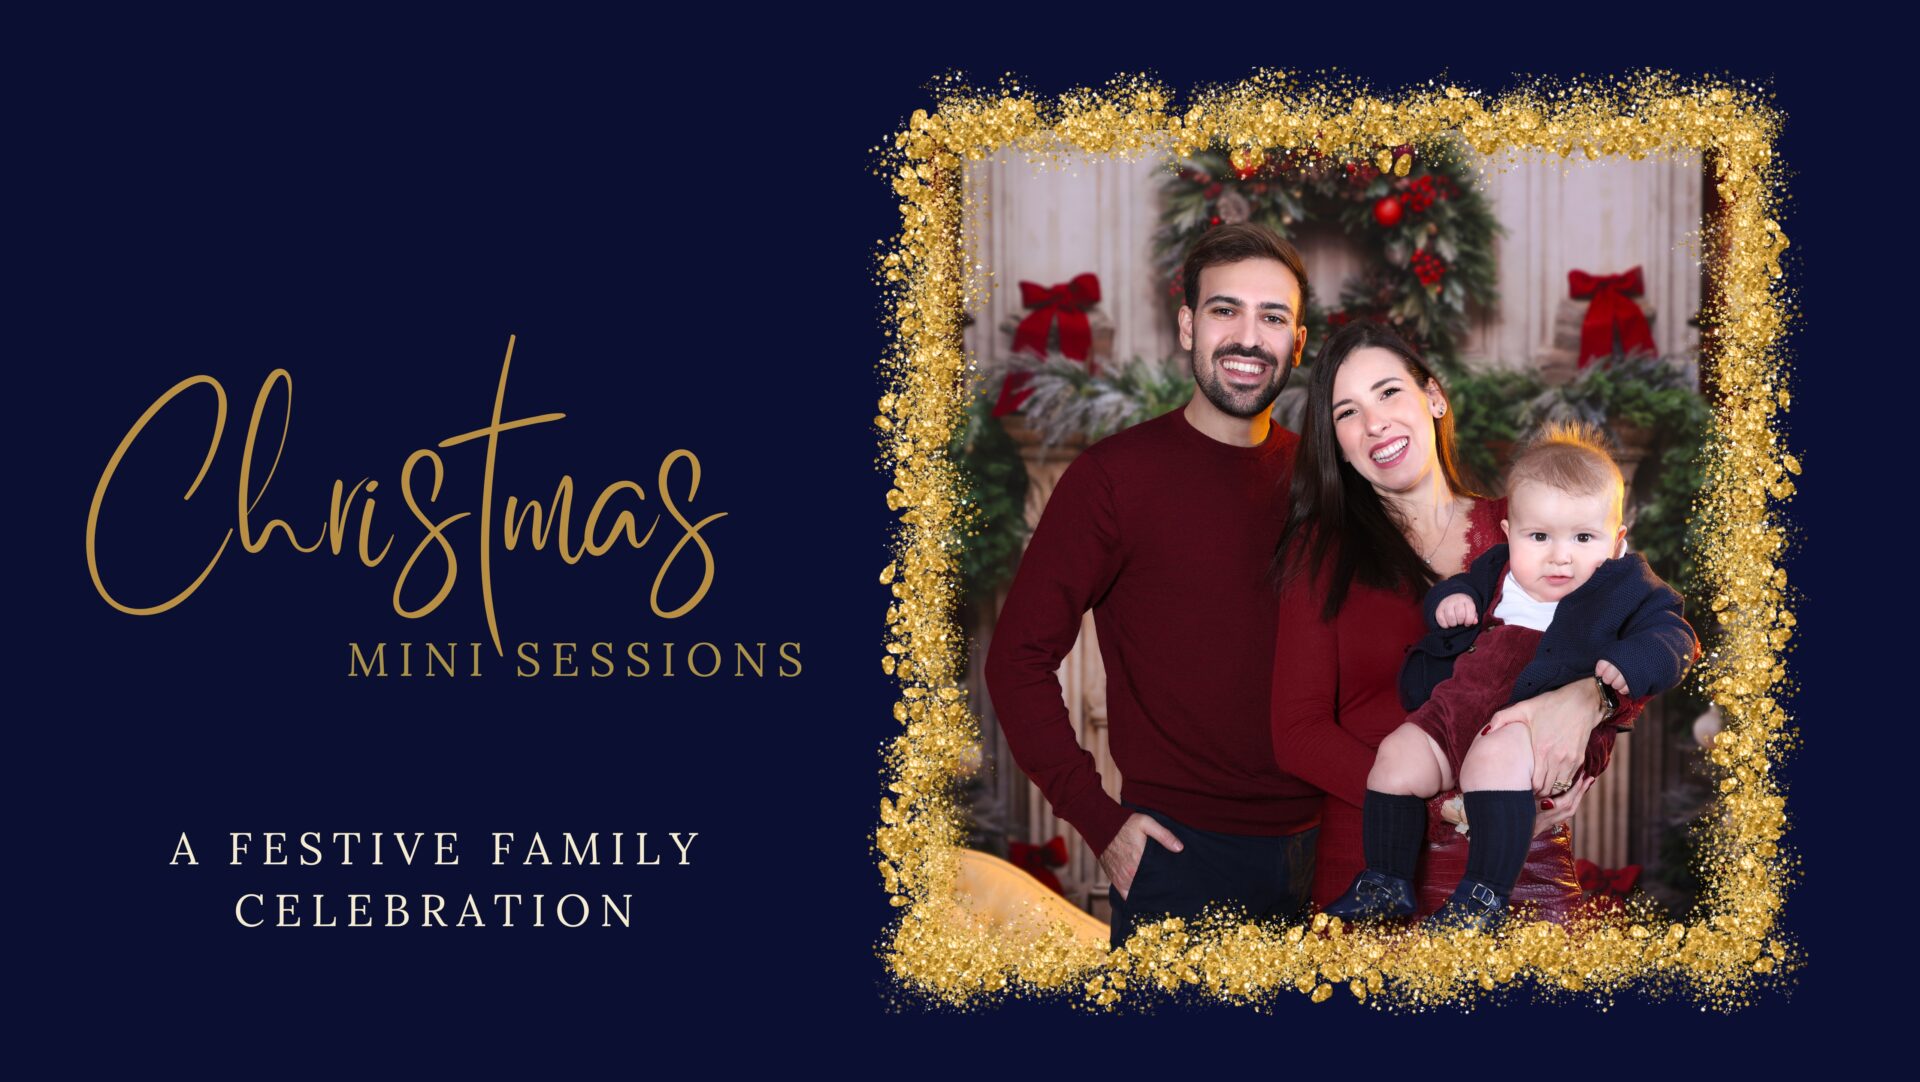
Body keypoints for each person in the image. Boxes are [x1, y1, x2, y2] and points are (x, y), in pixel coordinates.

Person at [985, 223, 1322, 949]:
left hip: (1331, 853)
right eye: (1225, 310)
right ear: (1187, 326)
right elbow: (1015, 659)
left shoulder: (1327, 481)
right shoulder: (1114, 478)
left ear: (1297, 343)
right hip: (1178, 859)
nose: (1247, 337)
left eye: (1272, 317)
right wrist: (1099, 822)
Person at [1270, 321, 1632, 923]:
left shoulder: (1526, 528)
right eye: (1347, 413)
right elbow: (1298, 733)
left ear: (1433, 398)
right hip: (1374, 860)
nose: (1375, 423)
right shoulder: (1321, 553)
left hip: (1516, 865)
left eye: (1388, 392)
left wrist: (1590, 710)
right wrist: (1443, 805)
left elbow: (1623, 638)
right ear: (1337, 442)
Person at [1323, 421, 1698, 930]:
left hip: (1532, 734)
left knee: (1492, 760)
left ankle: (1483, 895)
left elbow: (1675, 638)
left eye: (1583, 537)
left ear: (1617, 540)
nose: (1559, 555)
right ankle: (1387, 881)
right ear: (1509, 533)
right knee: (1395, 757)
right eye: (1538, 536)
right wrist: (1451, 600)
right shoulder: (1499, 567)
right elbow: (1459, 590)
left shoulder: (1625, 587)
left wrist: (1631, 665)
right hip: (1458, 710)